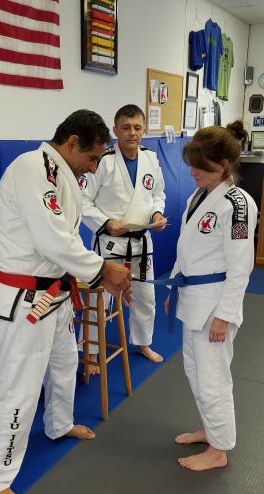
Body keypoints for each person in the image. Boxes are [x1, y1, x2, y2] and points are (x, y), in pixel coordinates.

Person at [0, 110, 132, 494]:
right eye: (92, 158)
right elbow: (51, 238)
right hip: (25, 299)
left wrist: (91, 272)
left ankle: (58, 424)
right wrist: (102, 269)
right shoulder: (32, 169)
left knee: (65, 364)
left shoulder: (62, 173)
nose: (93, 168)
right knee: (18, 387)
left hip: (56, 291)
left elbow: (65, 238)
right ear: (72, 143)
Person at [165, 122, 257, 471]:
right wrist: (174, 287)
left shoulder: (237, 204)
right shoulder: (199, 195)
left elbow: (241, 266)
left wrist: (225, 315)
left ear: (222, 165)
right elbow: (187, 248)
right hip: (193, 297)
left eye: (200, 167)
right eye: (192, 165)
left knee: (213, 378)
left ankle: (219, 449)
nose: (193, 172)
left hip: (214, 304)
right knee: (195, 371)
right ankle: (209, 429)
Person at [80, 104, 167, 365]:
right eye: (126, 127)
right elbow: (82, 201)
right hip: (110, 243)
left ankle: (142, 342)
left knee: (146, 297)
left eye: (137, 127)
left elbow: (157, 194)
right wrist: (106, 222)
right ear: (115, 130)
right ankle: (92, 350)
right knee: (100, 298)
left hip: (141, 243)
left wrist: (157, 214)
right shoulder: (103, 161)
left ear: (144, 130)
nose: (132, 133)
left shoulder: (151, 158)